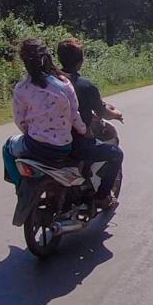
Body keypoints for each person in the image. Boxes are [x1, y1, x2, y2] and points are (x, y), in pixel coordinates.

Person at [58, 38, 124, 209]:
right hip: (76, 143)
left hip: (50, 141)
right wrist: (116, 114)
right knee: (116, 154)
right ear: (80, 62)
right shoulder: (86, 86)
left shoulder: (50, 83)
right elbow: (102, 111)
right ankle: (102, 196)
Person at [12, 38, 87, 166]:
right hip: (63, 147)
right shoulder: (64, 83)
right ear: (48, 57)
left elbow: (20, 121)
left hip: (35, 146)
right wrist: (84, 131)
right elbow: (74, 115)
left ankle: (19, 184)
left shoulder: (21, 88)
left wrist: (31, 133)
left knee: (8, 146)